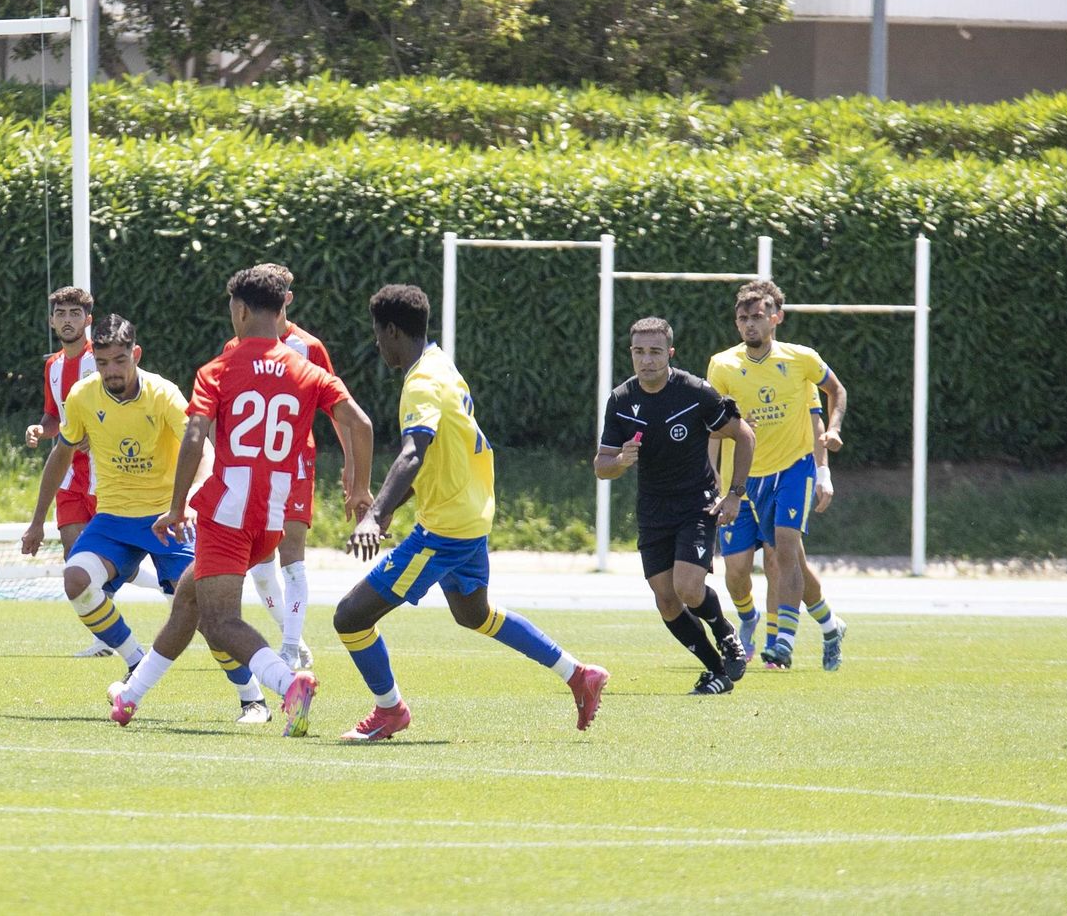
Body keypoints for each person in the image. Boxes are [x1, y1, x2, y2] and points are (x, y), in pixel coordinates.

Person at [338, 284, 609, 740]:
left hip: (444, 531)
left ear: (392, 331)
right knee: (473, 613)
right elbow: (437, 456)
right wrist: (386, 511)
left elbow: (413, 453)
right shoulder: (441, 365)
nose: (376, 343)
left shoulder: (421, 384)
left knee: (350, 617)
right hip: (471, 515)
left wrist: (375, 515)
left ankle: (390, 711)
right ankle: (578, 674)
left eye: (377, 333)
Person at [112, 266, 375, 736]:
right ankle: (130, 697)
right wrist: (360, 489)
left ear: (241, 310)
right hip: (270, 517)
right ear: (280, 309)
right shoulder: (308, 370)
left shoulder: (219, 368)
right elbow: (361, 424)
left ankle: (289, 684)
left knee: (220, 621)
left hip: (227, 513)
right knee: (189, 599)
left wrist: (177, 507)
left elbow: (195, 436)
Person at [21, 314, 272, 722]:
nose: (111, 371)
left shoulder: (163, 394)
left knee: (208, 614)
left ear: (135, 354)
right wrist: (37, 521)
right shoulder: (83, 397)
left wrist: (189, 501)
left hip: (168, 519)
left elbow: (203, 449)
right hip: (114, 518)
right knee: (76, 580)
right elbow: (61, 455)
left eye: (120, 361)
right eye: (103, 363)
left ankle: (252, 698)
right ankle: (135, 661)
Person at [594, 317, 754, 695]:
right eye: (639, 352)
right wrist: (620, 462)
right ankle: (717, 671)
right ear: (631, 353)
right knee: (666, 600)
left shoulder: (695, 392)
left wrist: (735, 493)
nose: (646, 360)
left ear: (670, 353)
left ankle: (725, 631)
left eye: (654, 352)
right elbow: (602, 466)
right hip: (652, 510)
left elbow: (744, 435)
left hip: (696, 503)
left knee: (688, 588)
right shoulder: (621, 400)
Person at [707, 280, 849, 671]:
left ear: (776, 318)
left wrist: (825, 464)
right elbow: (712, 426)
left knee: (783, 553)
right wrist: (715, 470)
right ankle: (825, 625)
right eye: (743, 318)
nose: (750, 324)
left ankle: (781, 642)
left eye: (758, 316)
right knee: (738, 570)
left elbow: (825, 405)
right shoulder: (723, 365)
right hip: (742, 480)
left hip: (792, 469)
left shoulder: (800, 361)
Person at [21, 286, 164, 657]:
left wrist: (99, 434)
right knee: (78, 560)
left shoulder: (102, 360)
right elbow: (55, 416)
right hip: (70, 475)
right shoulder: (53, 366)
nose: (67, 320)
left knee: (112, 557)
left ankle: (163, 589)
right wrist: (41, 429)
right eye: (61, 313)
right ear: (51, 322)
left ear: (88, 320)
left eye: (75, 313)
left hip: (108, 472)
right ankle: (108, 640)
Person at [228, 263, 342, 671]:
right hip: (250, 469)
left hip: (294, 463)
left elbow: (339, 409)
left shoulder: (309, 347)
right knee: (261, 568)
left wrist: (350, 468)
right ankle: (293, 638)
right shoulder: (233, 348)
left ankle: (290, 648)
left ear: (287, 298)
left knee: (291, 556)